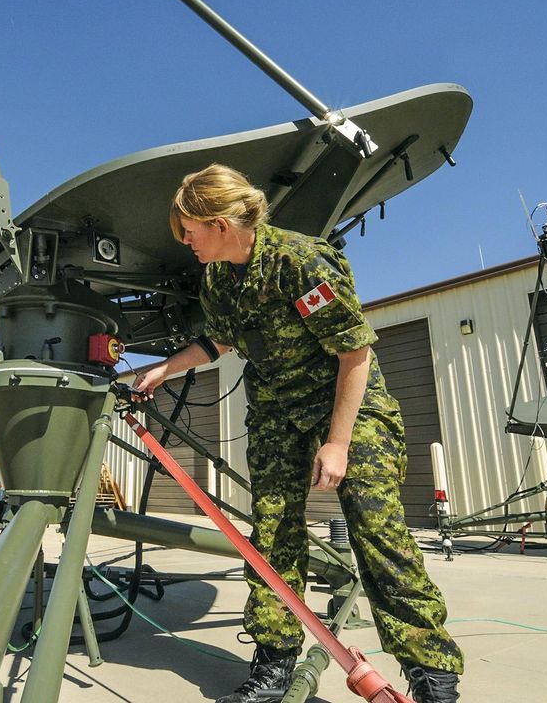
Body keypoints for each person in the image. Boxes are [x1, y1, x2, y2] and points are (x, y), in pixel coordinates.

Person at [133, 165, 463, 703]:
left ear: (219, 223)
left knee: (380, 541)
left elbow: (355, 354)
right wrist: (165, 369)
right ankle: (273, 667)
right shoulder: (218, 277)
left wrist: (336, 443)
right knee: (272, 540)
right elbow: (219, 341)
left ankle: (433, 679)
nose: (184, 242)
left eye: (188, 231)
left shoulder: (301, 261)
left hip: (349, 412)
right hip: (276, 416)